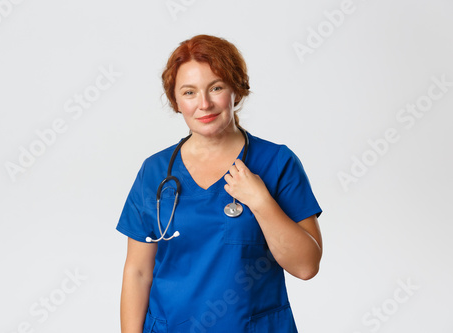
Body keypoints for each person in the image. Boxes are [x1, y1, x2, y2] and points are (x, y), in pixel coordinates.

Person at [117, 34, 322, 333]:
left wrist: (261, 202)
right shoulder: (156, 172)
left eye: (216, 87)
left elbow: (306, 266)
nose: (204, 104)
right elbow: (137, 272)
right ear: (176, 101)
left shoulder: (277, 163)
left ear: (236, 91)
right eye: (189, 92)